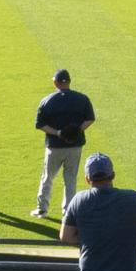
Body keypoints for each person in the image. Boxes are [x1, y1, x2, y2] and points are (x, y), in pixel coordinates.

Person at [32, 70, 95, 219]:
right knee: (70, 180)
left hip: (54, 147)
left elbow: (40, 125)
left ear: (56, 82)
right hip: (75, 146)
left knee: (47, 178)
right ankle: (68, 212)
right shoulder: (82, 98)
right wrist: (77, 130)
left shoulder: (47, 100)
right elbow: (90, 119)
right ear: (69, 82)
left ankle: (42, 209)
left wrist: (59, 133)